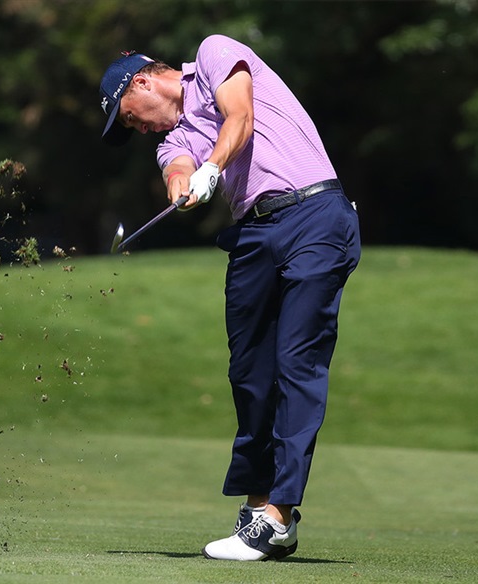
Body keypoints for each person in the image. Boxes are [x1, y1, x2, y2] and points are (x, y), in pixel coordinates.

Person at [98, 35, 361, 561]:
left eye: (129, 116)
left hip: (314, 214)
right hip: (254, 236)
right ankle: (258, 508)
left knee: (296, 360)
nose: (138, 128)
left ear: (143, 80)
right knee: (249, 373)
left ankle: (280, 516)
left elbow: (238, 117)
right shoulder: (171, 140)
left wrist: (213, 165)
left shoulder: (215, 54)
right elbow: (175, 167)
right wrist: (183, 186)